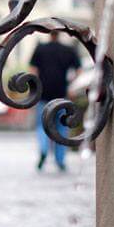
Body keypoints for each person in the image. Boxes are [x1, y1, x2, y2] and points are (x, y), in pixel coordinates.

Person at [29, 31, 81, 172]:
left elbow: (33, 70)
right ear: (59, 34)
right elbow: (79, 70)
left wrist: (35, 87)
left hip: (43, 94)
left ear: (48, 34)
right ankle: (60, 160)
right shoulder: (68, 50)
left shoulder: (40, 48)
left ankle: (44, 149)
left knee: (41, 125)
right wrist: (71, 84)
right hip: (62, 94)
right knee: (61, 127)